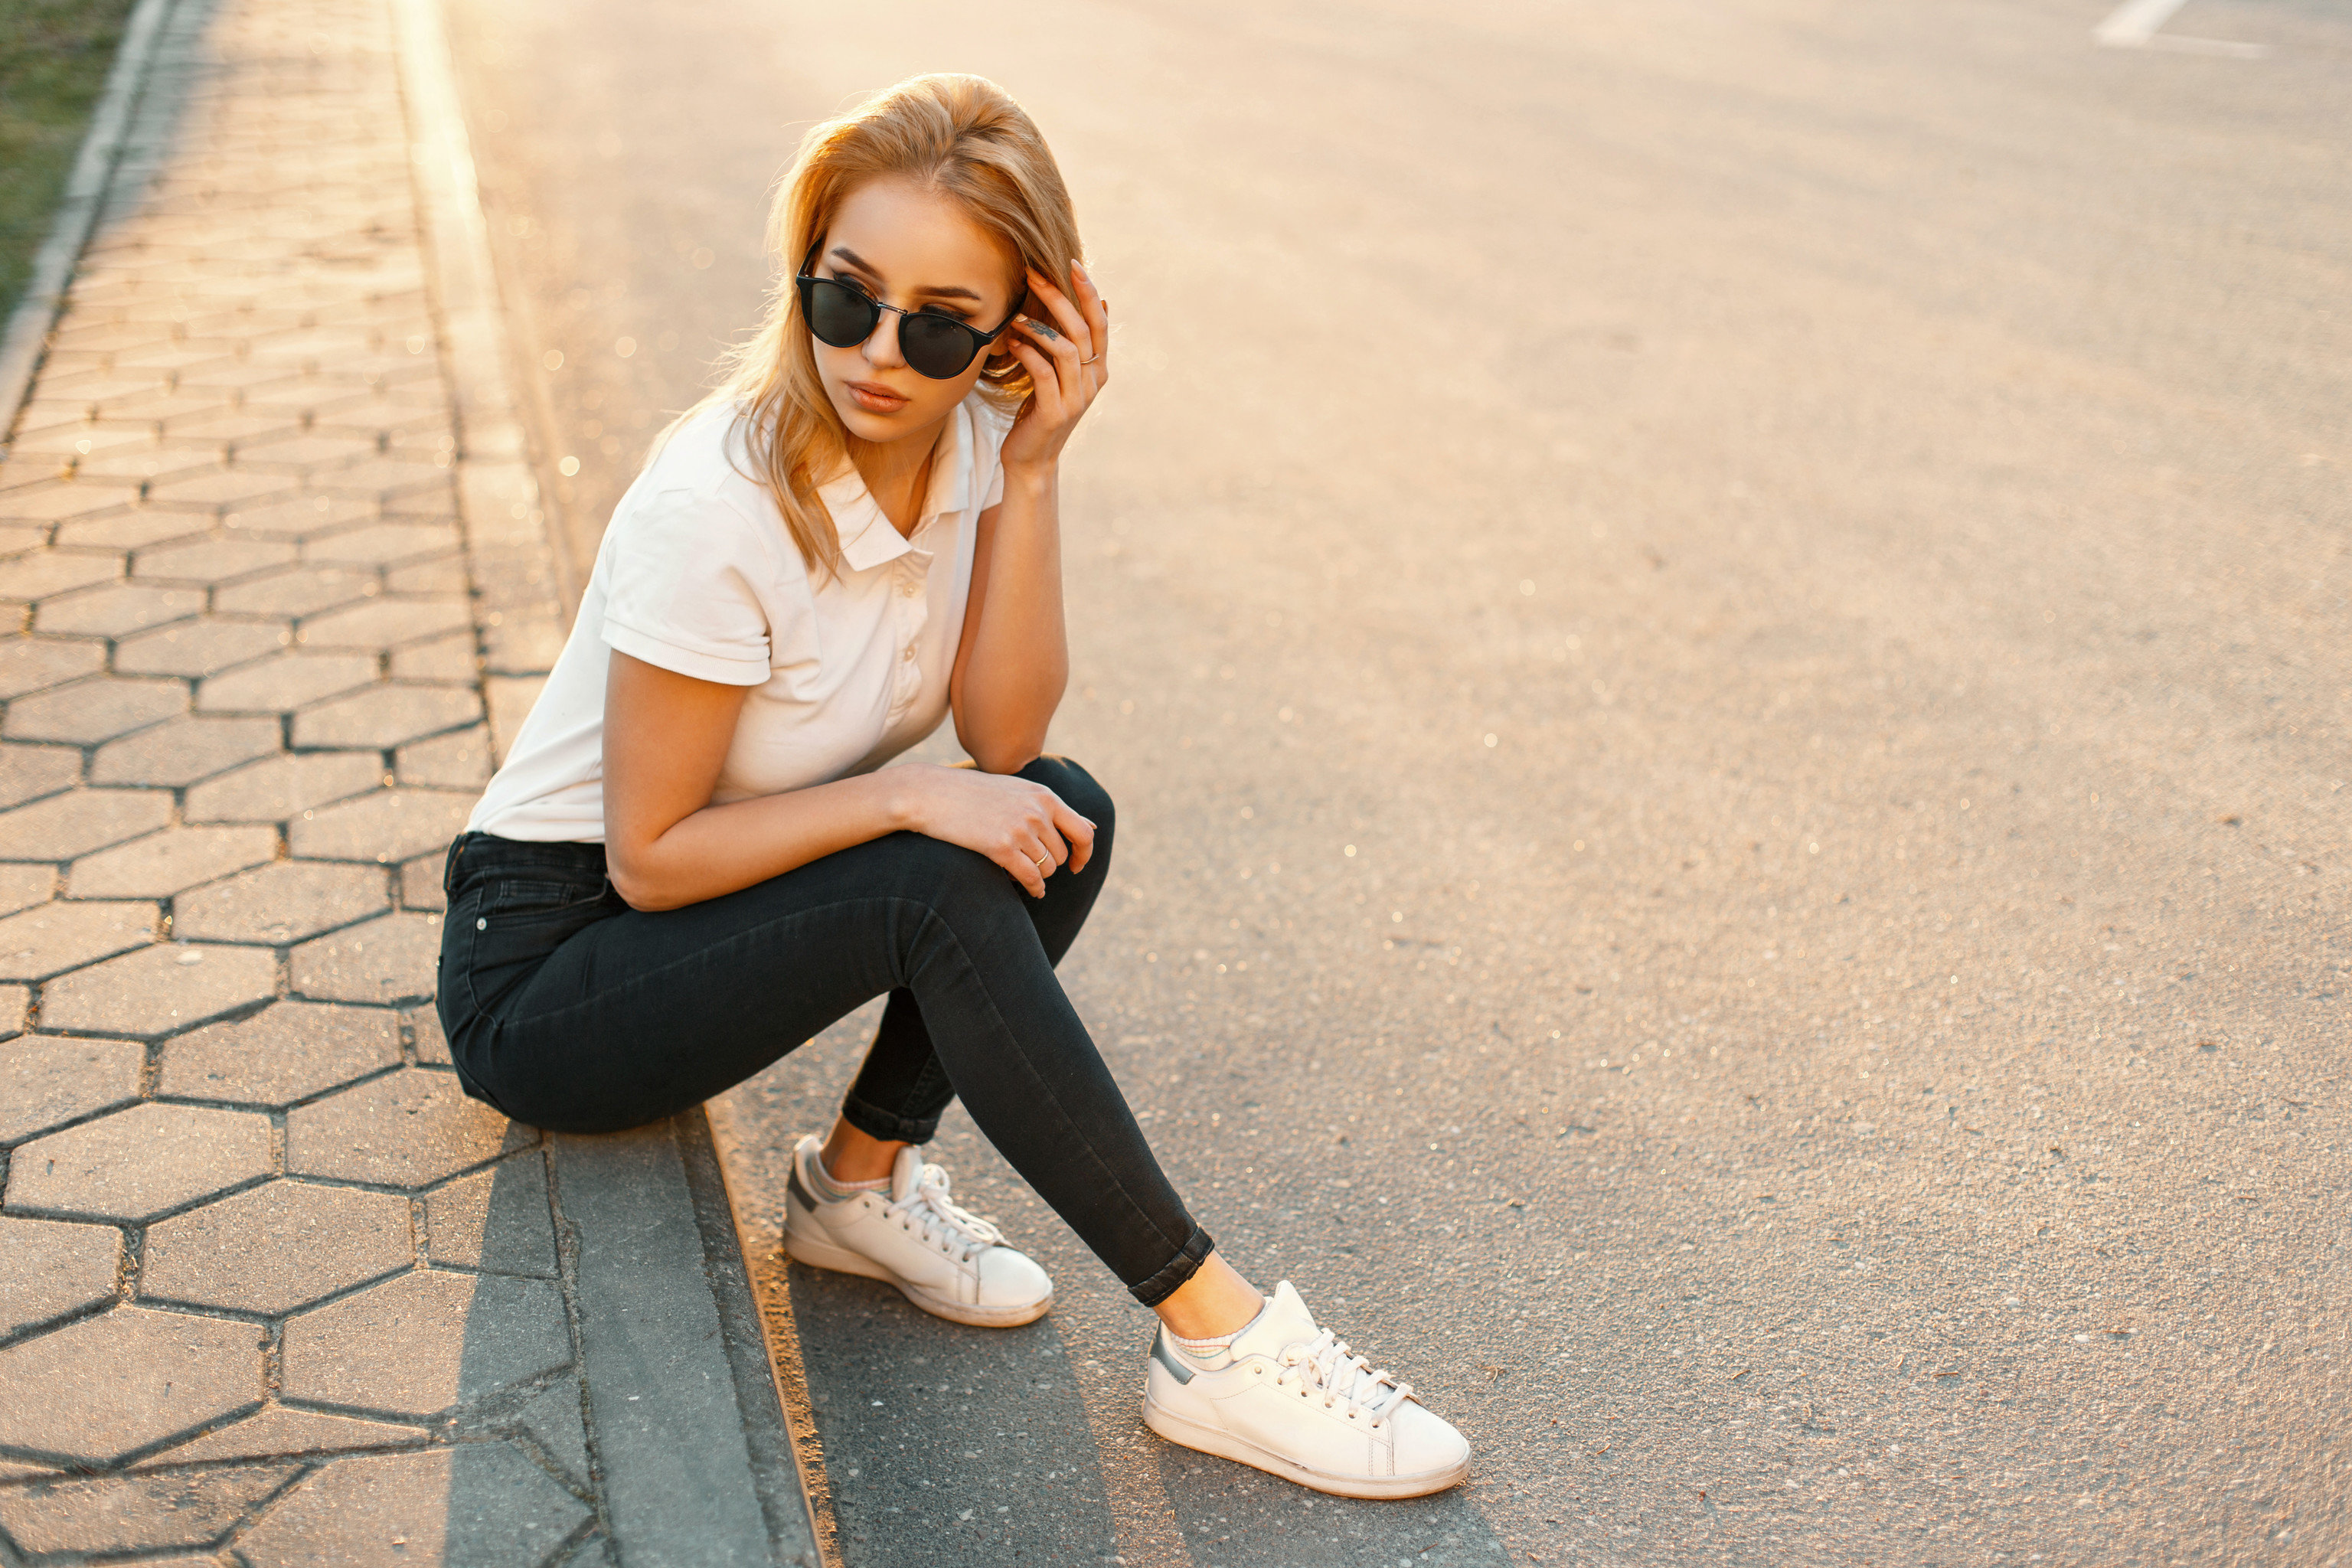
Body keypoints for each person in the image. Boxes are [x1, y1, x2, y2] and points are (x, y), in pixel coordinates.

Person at [435, 73, 1468, 1500]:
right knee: (939, 862)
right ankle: (1219, 1347)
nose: (878, 356)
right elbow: (652, 861)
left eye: (938, 327)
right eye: (845, 299)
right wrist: (906, 803)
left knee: (1060, 813)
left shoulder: (980, 440)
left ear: (1013, 335)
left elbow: (1003, 734)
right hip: (546, 975)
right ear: (803, 274)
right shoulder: (715, 505)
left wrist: (1036, 472)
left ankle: (853, 1190)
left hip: (662, 910)